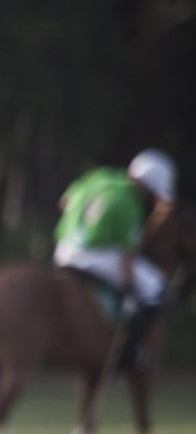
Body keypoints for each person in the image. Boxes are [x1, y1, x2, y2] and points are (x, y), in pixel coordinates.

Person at [53, 149, 176, 369]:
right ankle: (131, 354)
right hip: (92, 257)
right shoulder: (130, 203)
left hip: (63, 249)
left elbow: (64, 202)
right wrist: (129, 288)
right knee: (154, 287)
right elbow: (127, 255)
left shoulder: (99, 177)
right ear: (148, 185)